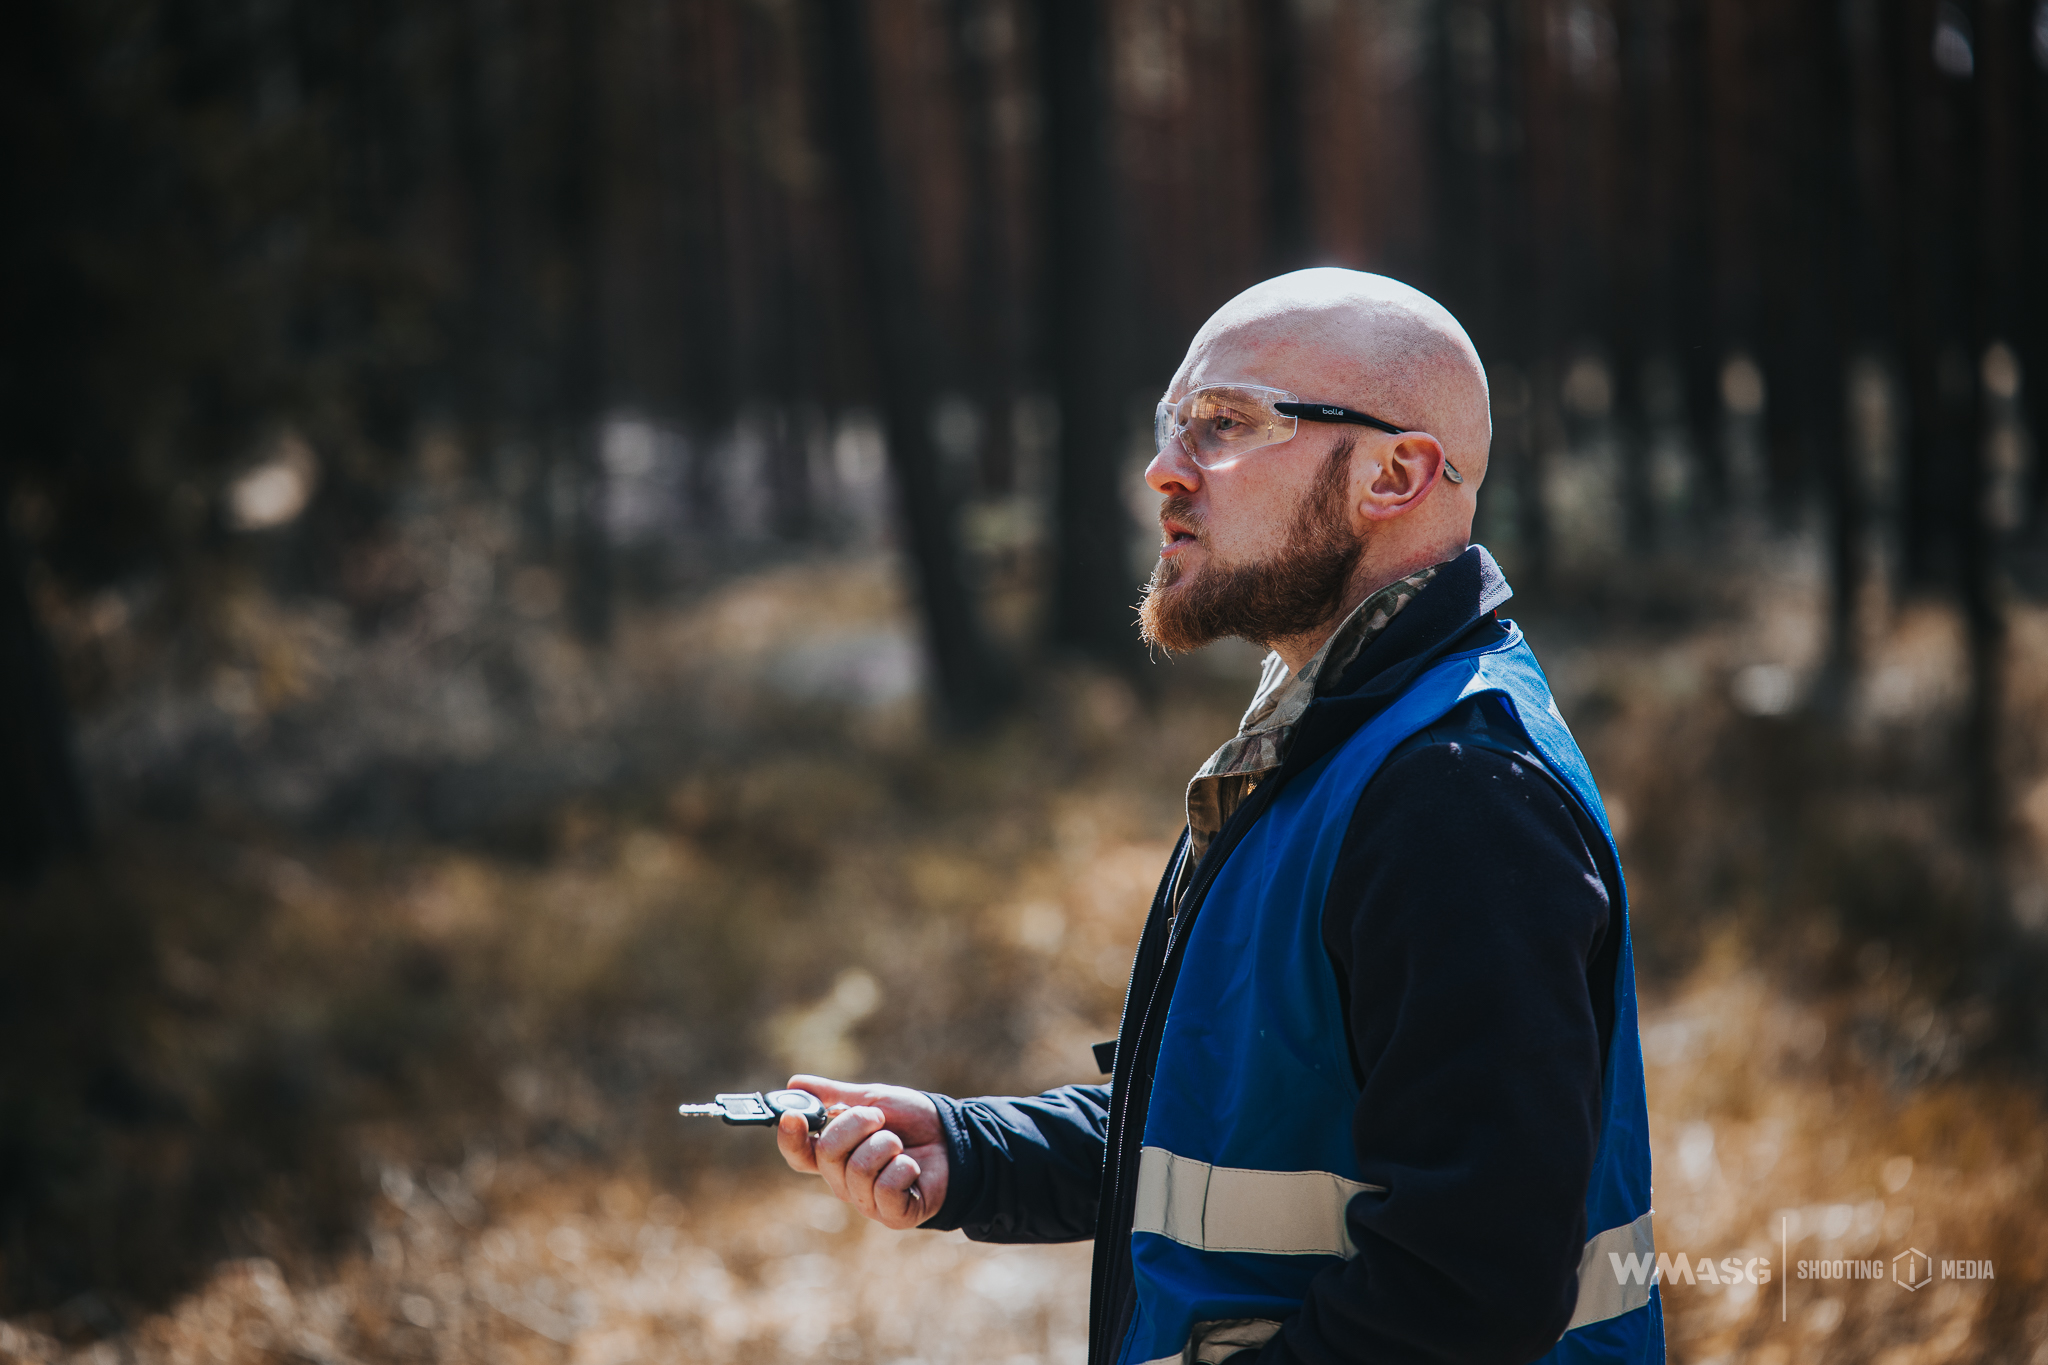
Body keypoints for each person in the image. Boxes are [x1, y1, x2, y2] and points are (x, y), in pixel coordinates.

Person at [776, 269, 1662, 1365]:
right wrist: (972, 1149)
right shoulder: (1333, 738)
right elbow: (1239, 1125)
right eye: (1171, 424)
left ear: (1395, 471)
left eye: (1224, 424)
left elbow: (1461, 1292)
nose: (1162, 470)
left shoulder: (1452, 792)